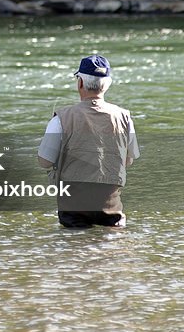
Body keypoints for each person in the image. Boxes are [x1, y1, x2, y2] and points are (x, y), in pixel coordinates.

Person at [37, 53, 139, 228]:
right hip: (111, 206)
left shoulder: (60, 119)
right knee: (113, 251)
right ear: (107, 85)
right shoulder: (125, 118)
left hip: (73, 208)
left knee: (75, 249)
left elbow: (44, 162)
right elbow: (128, 160)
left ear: (80, 82)